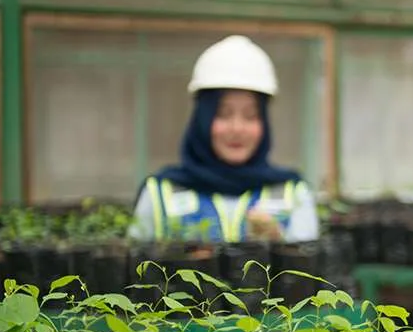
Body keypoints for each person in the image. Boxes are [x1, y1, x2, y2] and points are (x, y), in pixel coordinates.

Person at [129, 35, 319, 244]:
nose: (237, 129)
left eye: (250, 116)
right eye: (223, 114)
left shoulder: (293, 194)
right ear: (202, 119)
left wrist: (279, 246)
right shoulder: (160, 193)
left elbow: (308, 273)